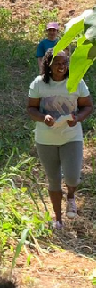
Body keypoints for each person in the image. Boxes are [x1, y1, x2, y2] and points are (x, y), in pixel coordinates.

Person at [27, 49, 93, 229]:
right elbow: (31, 108)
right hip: (45, 139)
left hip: (72, 137)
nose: (61, 66)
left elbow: (88, 106)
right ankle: (58, 218)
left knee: (72, 177)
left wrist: (77, 118)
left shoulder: (76, 82)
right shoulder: (39, 84)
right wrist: (43, 118)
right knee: (53, 180)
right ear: (49, 64)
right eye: (57, 63)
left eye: (64, 63)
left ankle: (71, 196)